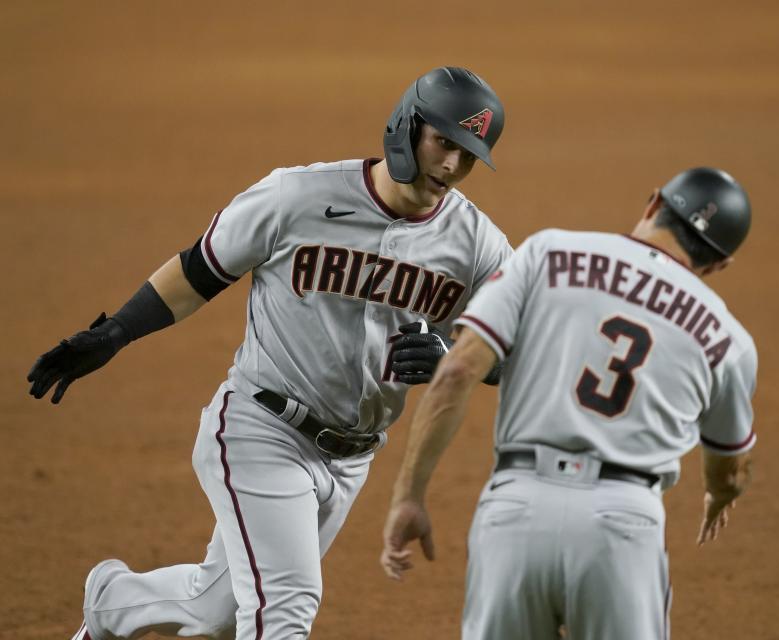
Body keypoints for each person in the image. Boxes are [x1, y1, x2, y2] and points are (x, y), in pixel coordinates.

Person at [27, 66, 512, 640]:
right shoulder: (297, 197)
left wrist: (457, 358)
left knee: (217, 609)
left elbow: (516, 349)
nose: (453, 166)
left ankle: (110, 605)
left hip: (352, 458)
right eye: (444, 143)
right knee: (285, 605)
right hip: (262, 427)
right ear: (406, 126)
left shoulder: (477, 244)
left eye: (468, 155)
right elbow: (199, 271)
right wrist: (116, 332)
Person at [381, 167, 758, 639]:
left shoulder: (547, 253)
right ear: (719, 266)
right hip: (622, 528)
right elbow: (731, 470)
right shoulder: (729, 339)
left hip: (515, 511)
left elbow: (456, 371)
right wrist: (719, 494)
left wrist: (409, 496)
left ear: (653, 204)